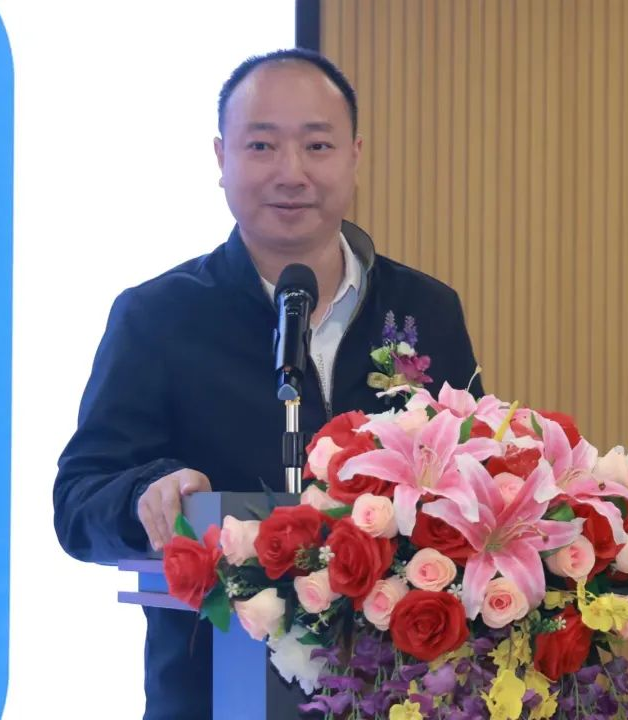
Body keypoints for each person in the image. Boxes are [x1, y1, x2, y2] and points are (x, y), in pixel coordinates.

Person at [53, 48, 484, 720]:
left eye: (318, 145)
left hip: (398, 696)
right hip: (210, 696)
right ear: (221, 157)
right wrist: (146, 495)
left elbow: (473, 480)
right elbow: (78, 502)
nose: (292, 172)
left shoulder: (425, 310)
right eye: (262, 145)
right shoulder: (158, 317)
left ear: (355, 156)